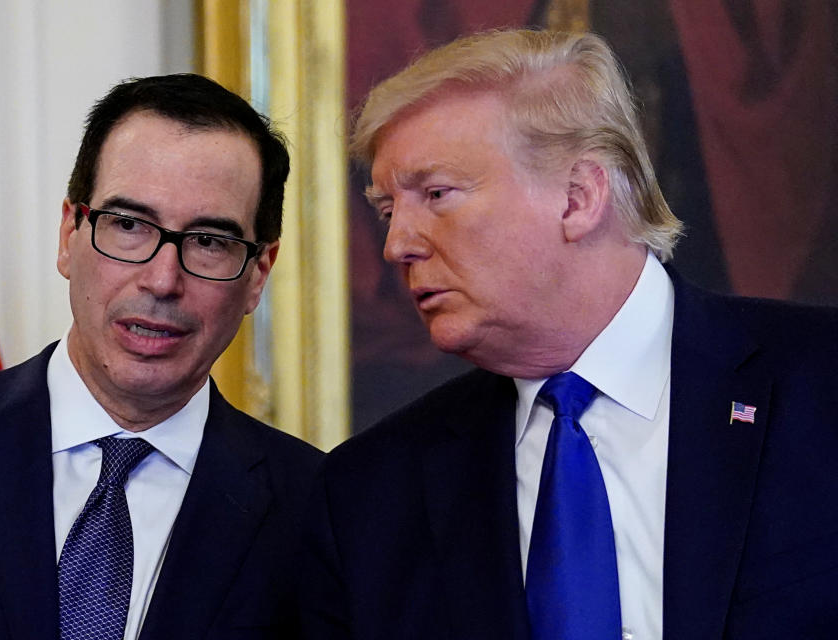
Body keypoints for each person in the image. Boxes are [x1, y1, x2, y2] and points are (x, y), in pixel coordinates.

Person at [299, 29, 838, 640]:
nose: (398, 245)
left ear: (579, 198)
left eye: (437, 194)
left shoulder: (820, 384)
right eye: (390, 210)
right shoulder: (372, 492)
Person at [0, 74, 322, 640]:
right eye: (129, 225)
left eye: (210, 241)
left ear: (258, 274)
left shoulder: (317, 508)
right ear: (69, 234)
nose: (163, 280)